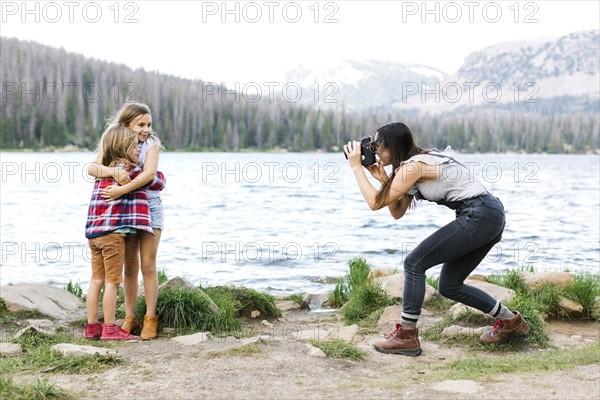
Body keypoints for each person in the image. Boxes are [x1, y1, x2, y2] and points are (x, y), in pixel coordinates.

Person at [343, 122, 530, 357]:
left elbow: (374, 203)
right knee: (449, 285)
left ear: (392, 145)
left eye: (377, 145)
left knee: (414, 263)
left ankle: (407, 336)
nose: (374, 151)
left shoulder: (415, 167)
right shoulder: (413, 165)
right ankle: (511, 322)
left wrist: (356, 169)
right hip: (487, 214)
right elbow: (396, 212)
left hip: (479, 214)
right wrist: (383, 180)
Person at [87, 102, 165, 340]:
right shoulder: (115, 142)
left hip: (147, 207)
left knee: (148, 264)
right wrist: (112, 174)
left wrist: (121, 190)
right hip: (124, 213)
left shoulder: (151, 145)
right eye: (141, 124)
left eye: (149, 124)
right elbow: (93, 168)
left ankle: (150, 318)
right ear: (126, 125)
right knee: (129, 267)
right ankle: (129, 318)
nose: (146, 129)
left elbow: (149, 175)